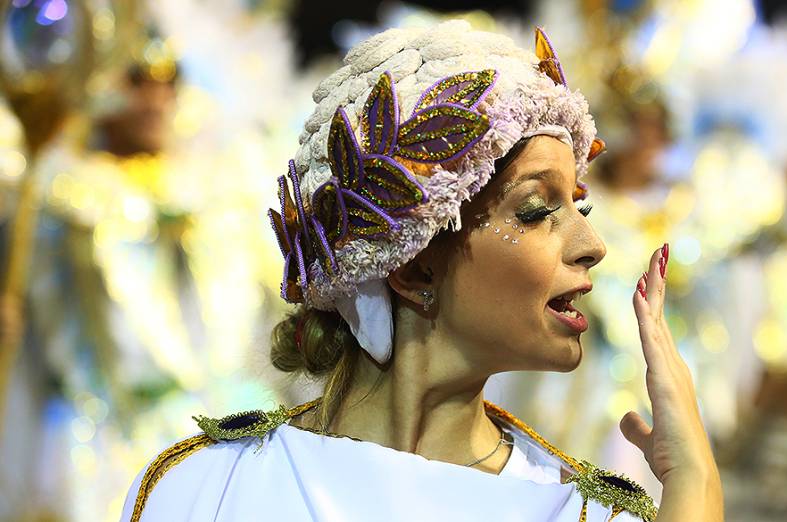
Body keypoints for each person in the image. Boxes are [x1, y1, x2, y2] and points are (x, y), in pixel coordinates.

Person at [121, 21, 722, 521]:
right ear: (411, 268)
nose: (592, 245)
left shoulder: (581, 513)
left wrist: (692, 476)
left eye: (580, 207)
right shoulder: (202, 493)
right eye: (539, 210)